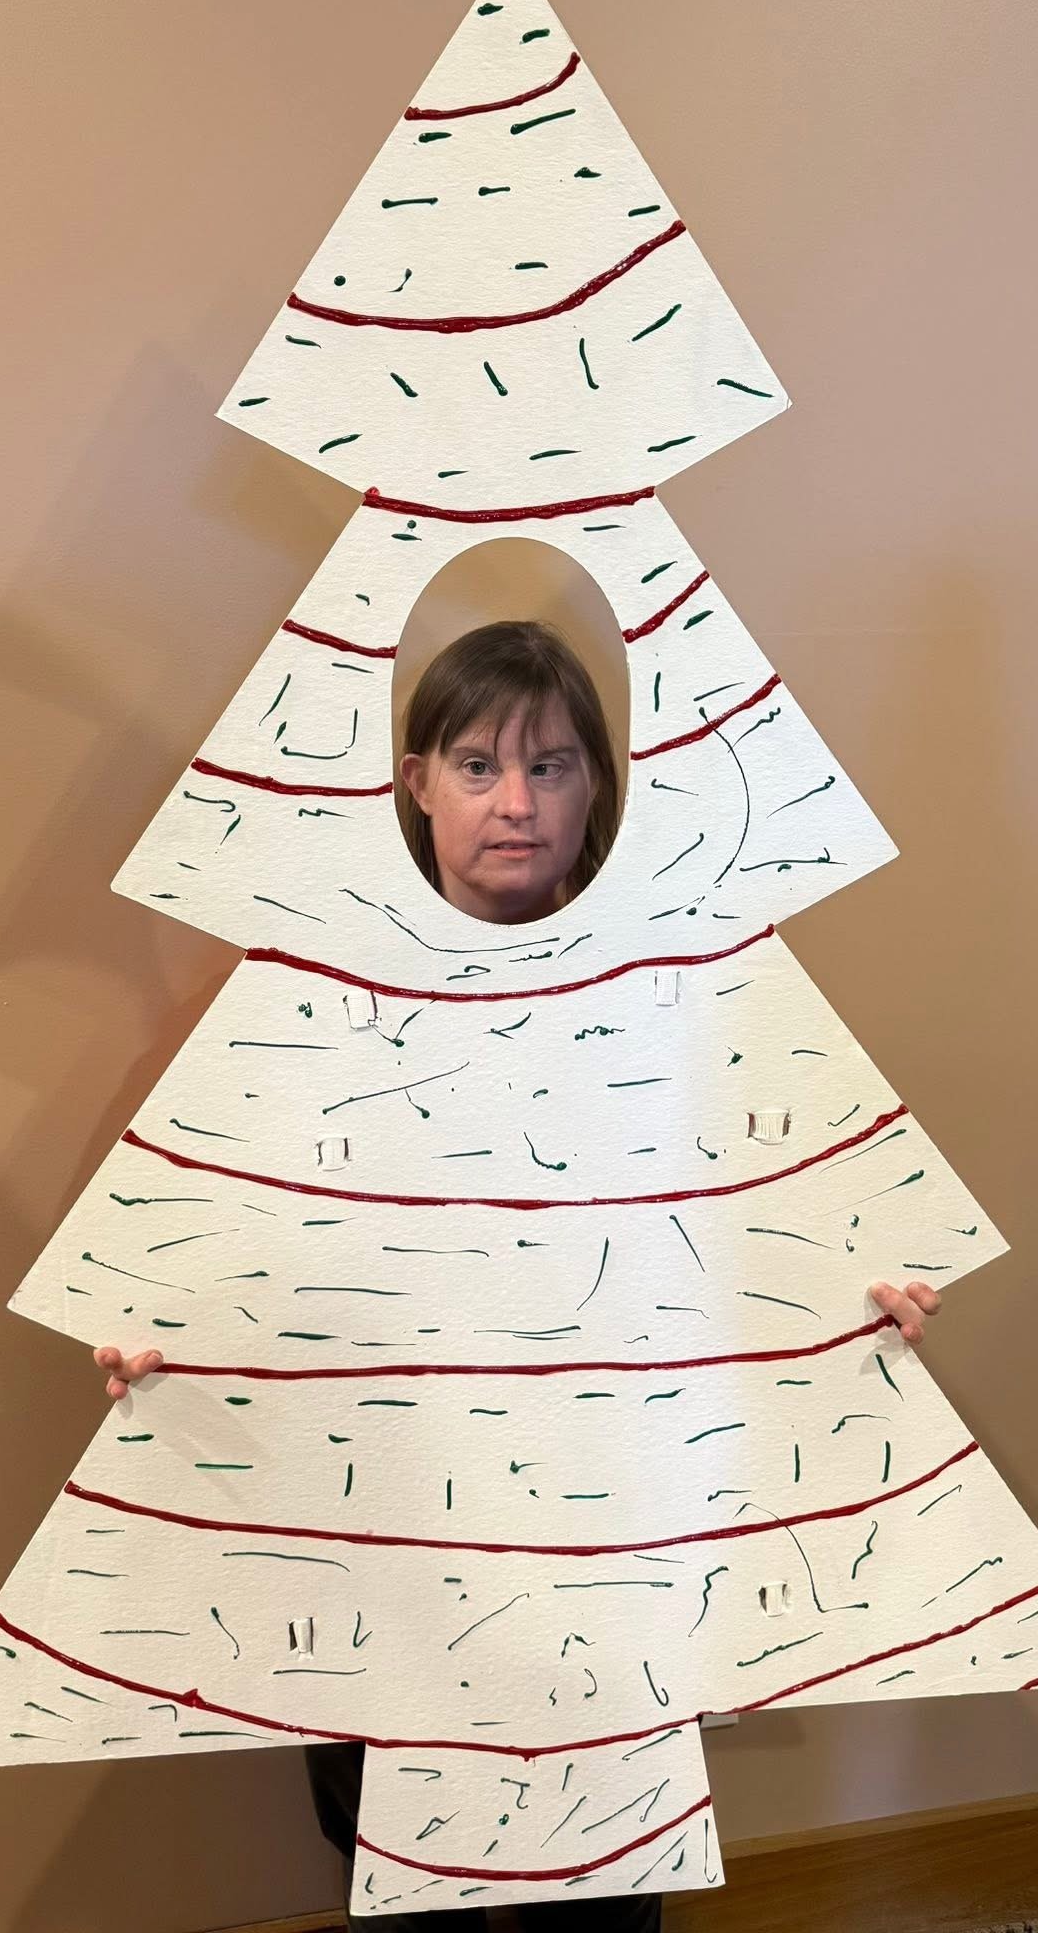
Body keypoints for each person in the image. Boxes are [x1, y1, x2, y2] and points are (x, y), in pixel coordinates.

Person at [95, 620, 941, 1928]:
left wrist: (852, 1303)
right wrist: (160, 1338)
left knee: (597, 1864)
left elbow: (756, 1203)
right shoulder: (318, 988)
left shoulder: (673, 986)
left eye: (550, 766)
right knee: (392, 1845)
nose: (513, 800)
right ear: (415, 779)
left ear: (597, 787)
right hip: (372, 1509)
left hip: (597, 1519)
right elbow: (237, 1220)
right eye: (479, 762)